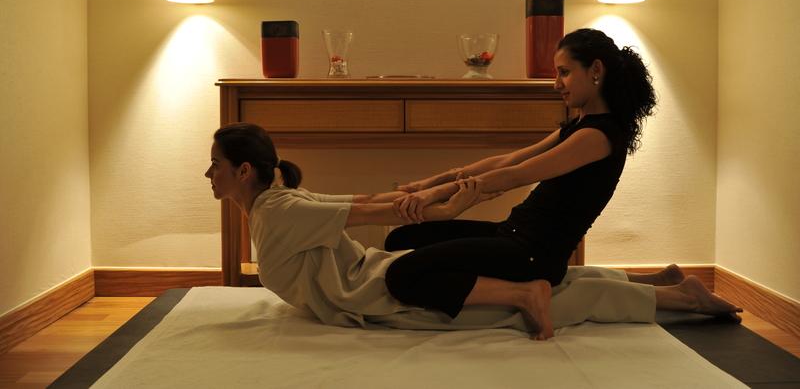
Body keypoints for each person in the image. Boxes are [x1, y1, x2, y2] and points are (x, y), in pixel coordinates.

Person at [204, 122, 741, 339]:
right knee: (408, 248)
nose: (209, 174)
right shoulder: (281, 202)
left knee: (540, 293)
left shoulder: (278, 211)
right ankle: (655, 283)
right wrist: (435, 193)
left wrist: (438, 200)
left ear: (244, 171)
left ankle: (678, 299)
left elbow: (370, 207)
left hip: (388, 289)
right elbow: (368, 203)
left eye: (215, 165)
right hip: (396, 269)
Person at [383, 28, 658, 339]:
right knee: (401, 239)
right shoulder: (580, 126)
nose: (557, 84)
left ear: (595, 70)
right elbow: (508, 160)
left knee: (401, 276)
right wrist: (432, 182)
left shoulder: (598, 136)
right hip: (511, 234)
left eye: (564, 72)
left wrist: (438, 194)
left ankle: (525, 294)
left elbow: (518, 174)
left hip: (533, 256)